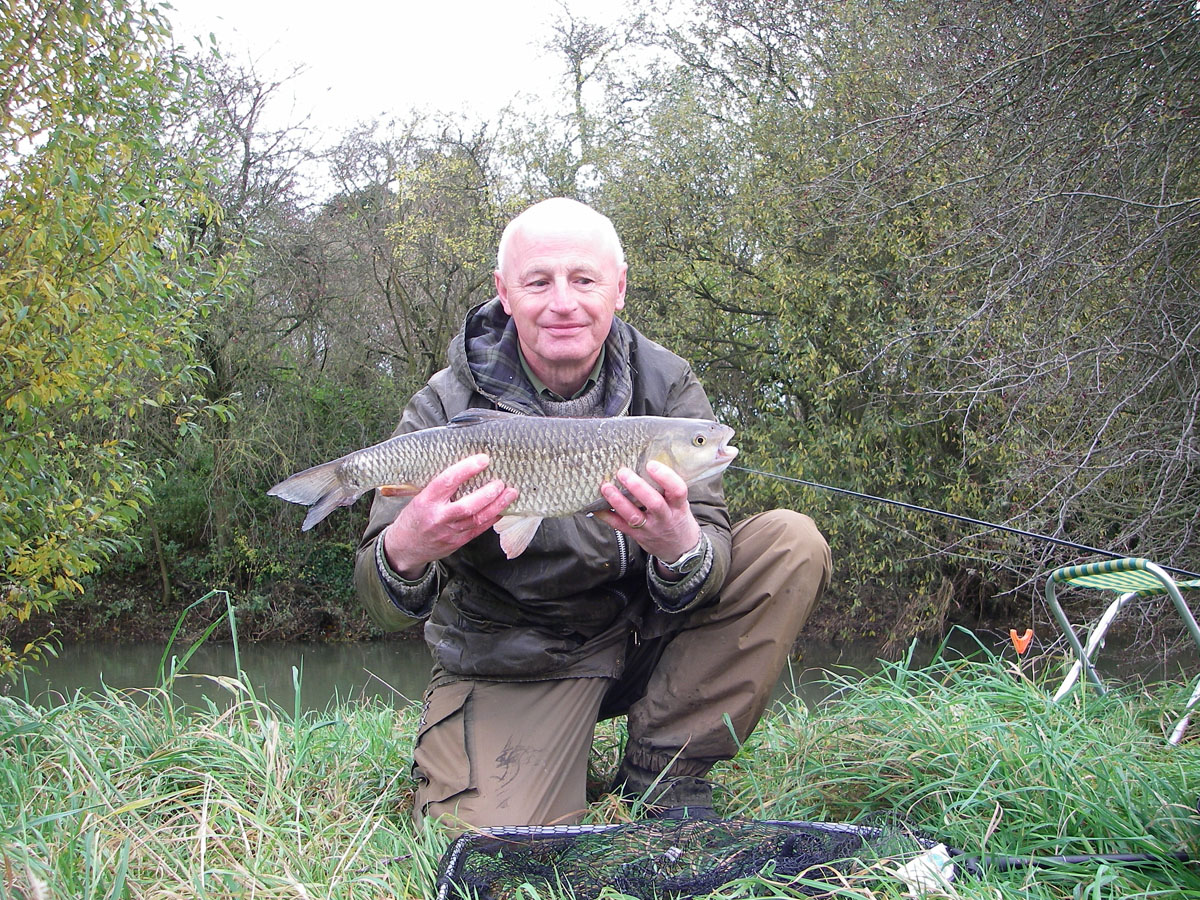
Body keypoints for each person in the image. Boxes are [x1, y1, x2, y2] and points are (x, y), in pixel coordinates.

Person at [354, 198, 831, 832]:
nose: (563, 302)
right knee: (494, 847)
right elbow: (376, 599)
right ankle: (538, 755)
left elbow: (714, 553)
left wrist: (679, 545)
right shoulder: (442, 407)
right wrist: (408, 547)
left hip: (645, 634)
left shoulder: (668, 385)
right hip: (518, 656)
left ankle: (663, 768)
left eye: (584, 279)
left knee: (790, 542)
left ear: (619, 288)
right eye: (538, 281)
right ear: (503, 292)